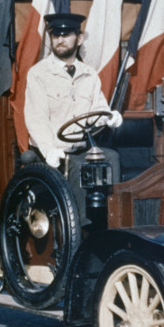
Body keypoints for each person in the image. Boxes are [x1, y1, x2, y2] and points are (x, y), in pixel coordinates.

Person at [23, 13, 123, 224]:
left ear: (79, 39)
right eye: (55, 34)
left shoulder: (89, 74)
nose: (60, 40)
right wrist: (49, 150)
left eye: (66, 34)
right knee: (80, 168)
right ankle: (79, 229)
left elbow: (97, 110)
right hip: (52, 155)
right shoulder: (39, 74)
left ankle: (114, 221)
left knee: (111, 158)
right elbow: (36, 118)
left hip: (83, 148)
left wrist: (109, 118)